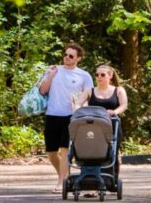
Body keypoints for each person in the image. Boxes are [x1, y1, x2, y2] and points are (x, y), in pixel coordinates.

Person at [38, 42, 93, 194]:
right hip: (52, 114)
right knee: (51, 151)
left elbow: (89, 95)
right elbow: (43, 90)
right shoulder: (54, 70)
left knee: (65, 150)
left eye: (71, 56)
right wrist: (51, 75)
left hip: (71, 116)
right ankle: (63, 175)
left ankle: (61, 182)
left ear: (78, 58)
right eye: (65, 55)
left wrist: (81, 108)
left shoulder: (84, 75)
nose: (67, 58)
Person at [77, 64, 128, 174]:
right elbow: (78, 104)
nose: (99, 77)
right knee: (91, 149)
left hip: (112, 124)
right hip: (93, 126)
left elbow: (124, 105)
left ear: (110, 76)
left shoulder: (119, 90)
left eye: (102, 75)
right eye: (97, 75)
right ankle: (90, 175)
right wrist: (79, 111)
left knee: (112, 150)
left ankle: (111, 177)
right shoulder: (89, 91)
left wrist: (114, 112)